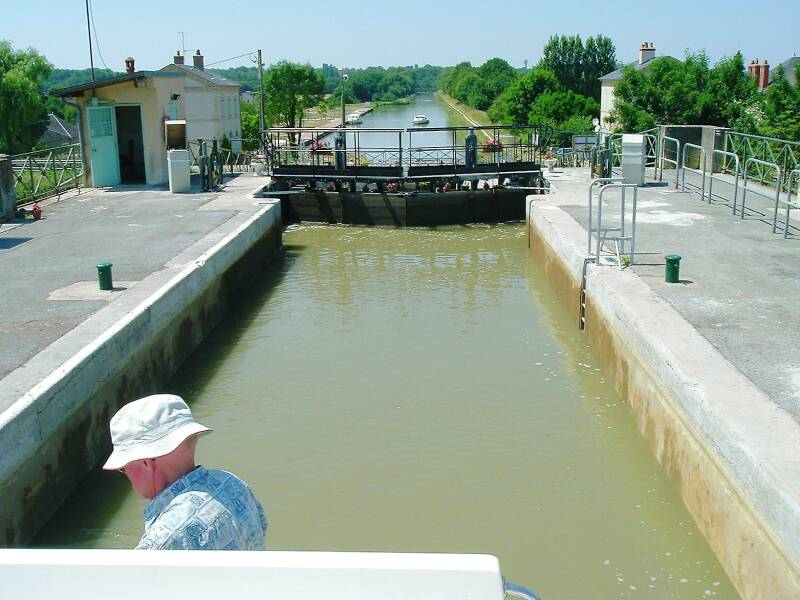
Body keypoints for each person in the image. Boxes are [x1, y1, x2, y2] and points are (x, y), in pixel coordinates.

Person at [103, 394, 267, 550]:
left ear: (146, 463)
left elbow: (137, 578)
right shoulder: (233, 483)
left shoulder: (164, 538)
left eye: (123, 468)